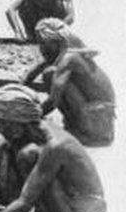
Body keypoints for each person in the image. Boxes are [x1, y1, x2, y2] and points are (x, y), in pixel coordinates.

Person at [24, 18, 115, 147]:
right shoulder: (68, 54)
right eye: (40, 44)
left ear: (59, 42)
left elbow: (53, 101)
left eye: (44, 43)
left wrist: (26, 117)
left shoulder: (69, 59)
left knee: (50, 74)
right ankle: (76, 128)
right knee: (50, 71)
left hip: (97, 123)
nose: (41, 48)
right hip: (101, 122)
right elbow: (36, 70)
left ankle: (78, 130)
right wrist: (15, 90)